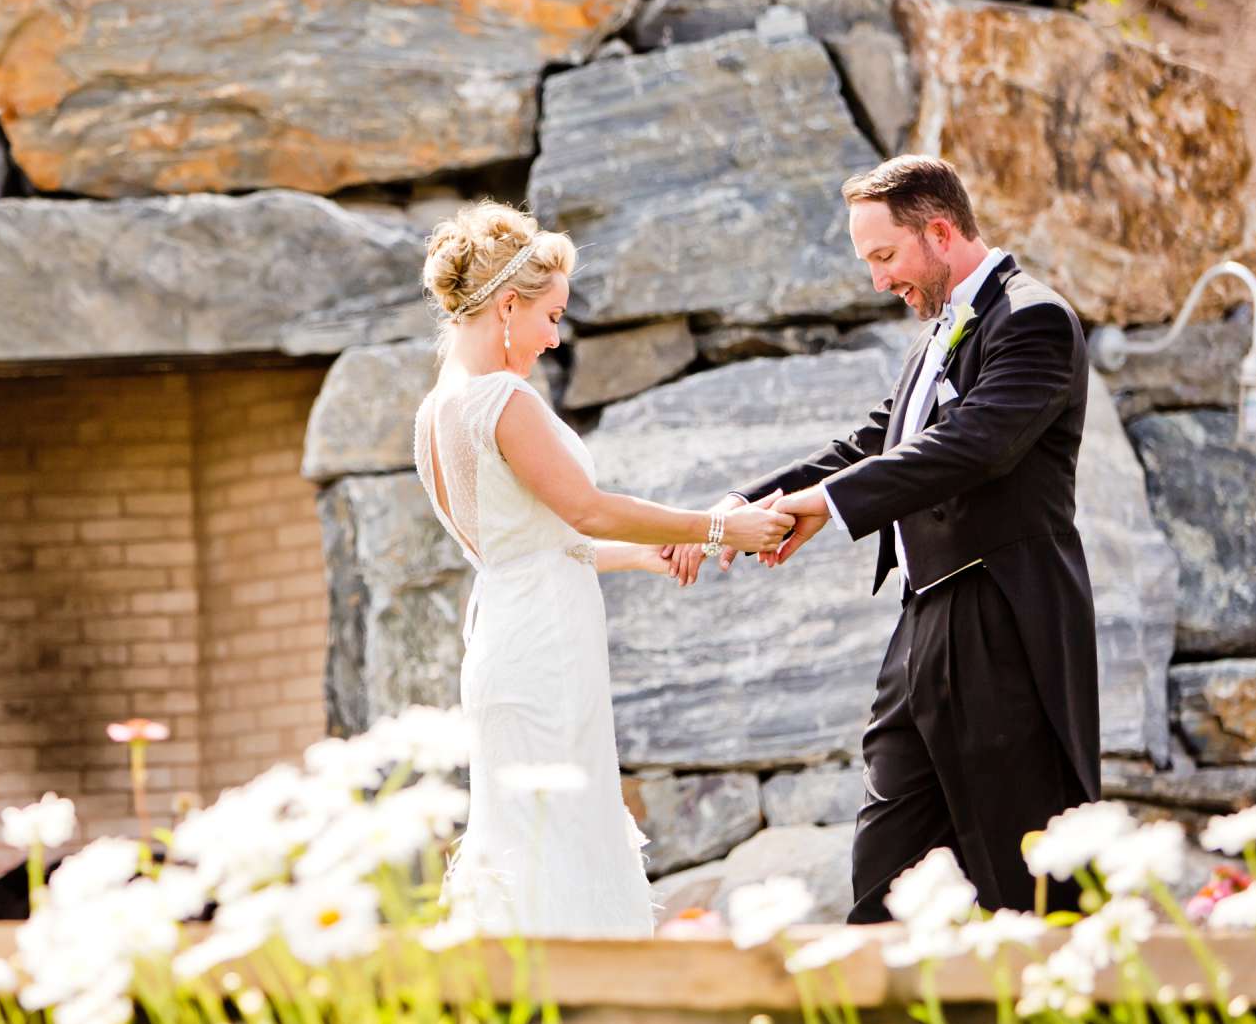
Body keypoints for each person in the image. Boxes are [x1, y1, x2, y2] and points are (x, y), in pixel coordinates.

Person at [666, 156, 1100, 922]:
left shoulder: (1035, 319)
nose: (877, 280)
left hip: (1002, 626)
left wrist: (824, 506)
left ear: (939, 232)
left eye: (884, 256)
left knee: (1023, 870)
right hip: (922, 627)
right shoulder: (934, 332)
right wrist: (745, 503)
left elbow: (972, 447)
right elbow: (877, 441)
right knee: (884, 874)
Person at [413, 200, 792, 938]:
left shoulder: (437, 410)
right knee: (561, 833)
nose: (554, 338)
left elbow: (532, 543)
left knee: (529, 833)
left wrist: (652, 554)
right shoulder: (501, 398)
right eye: (551, 317)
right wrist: (722, 527)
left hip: (506, 637)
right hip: (545, 649)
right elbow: (586, 511)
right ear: (508, 307)